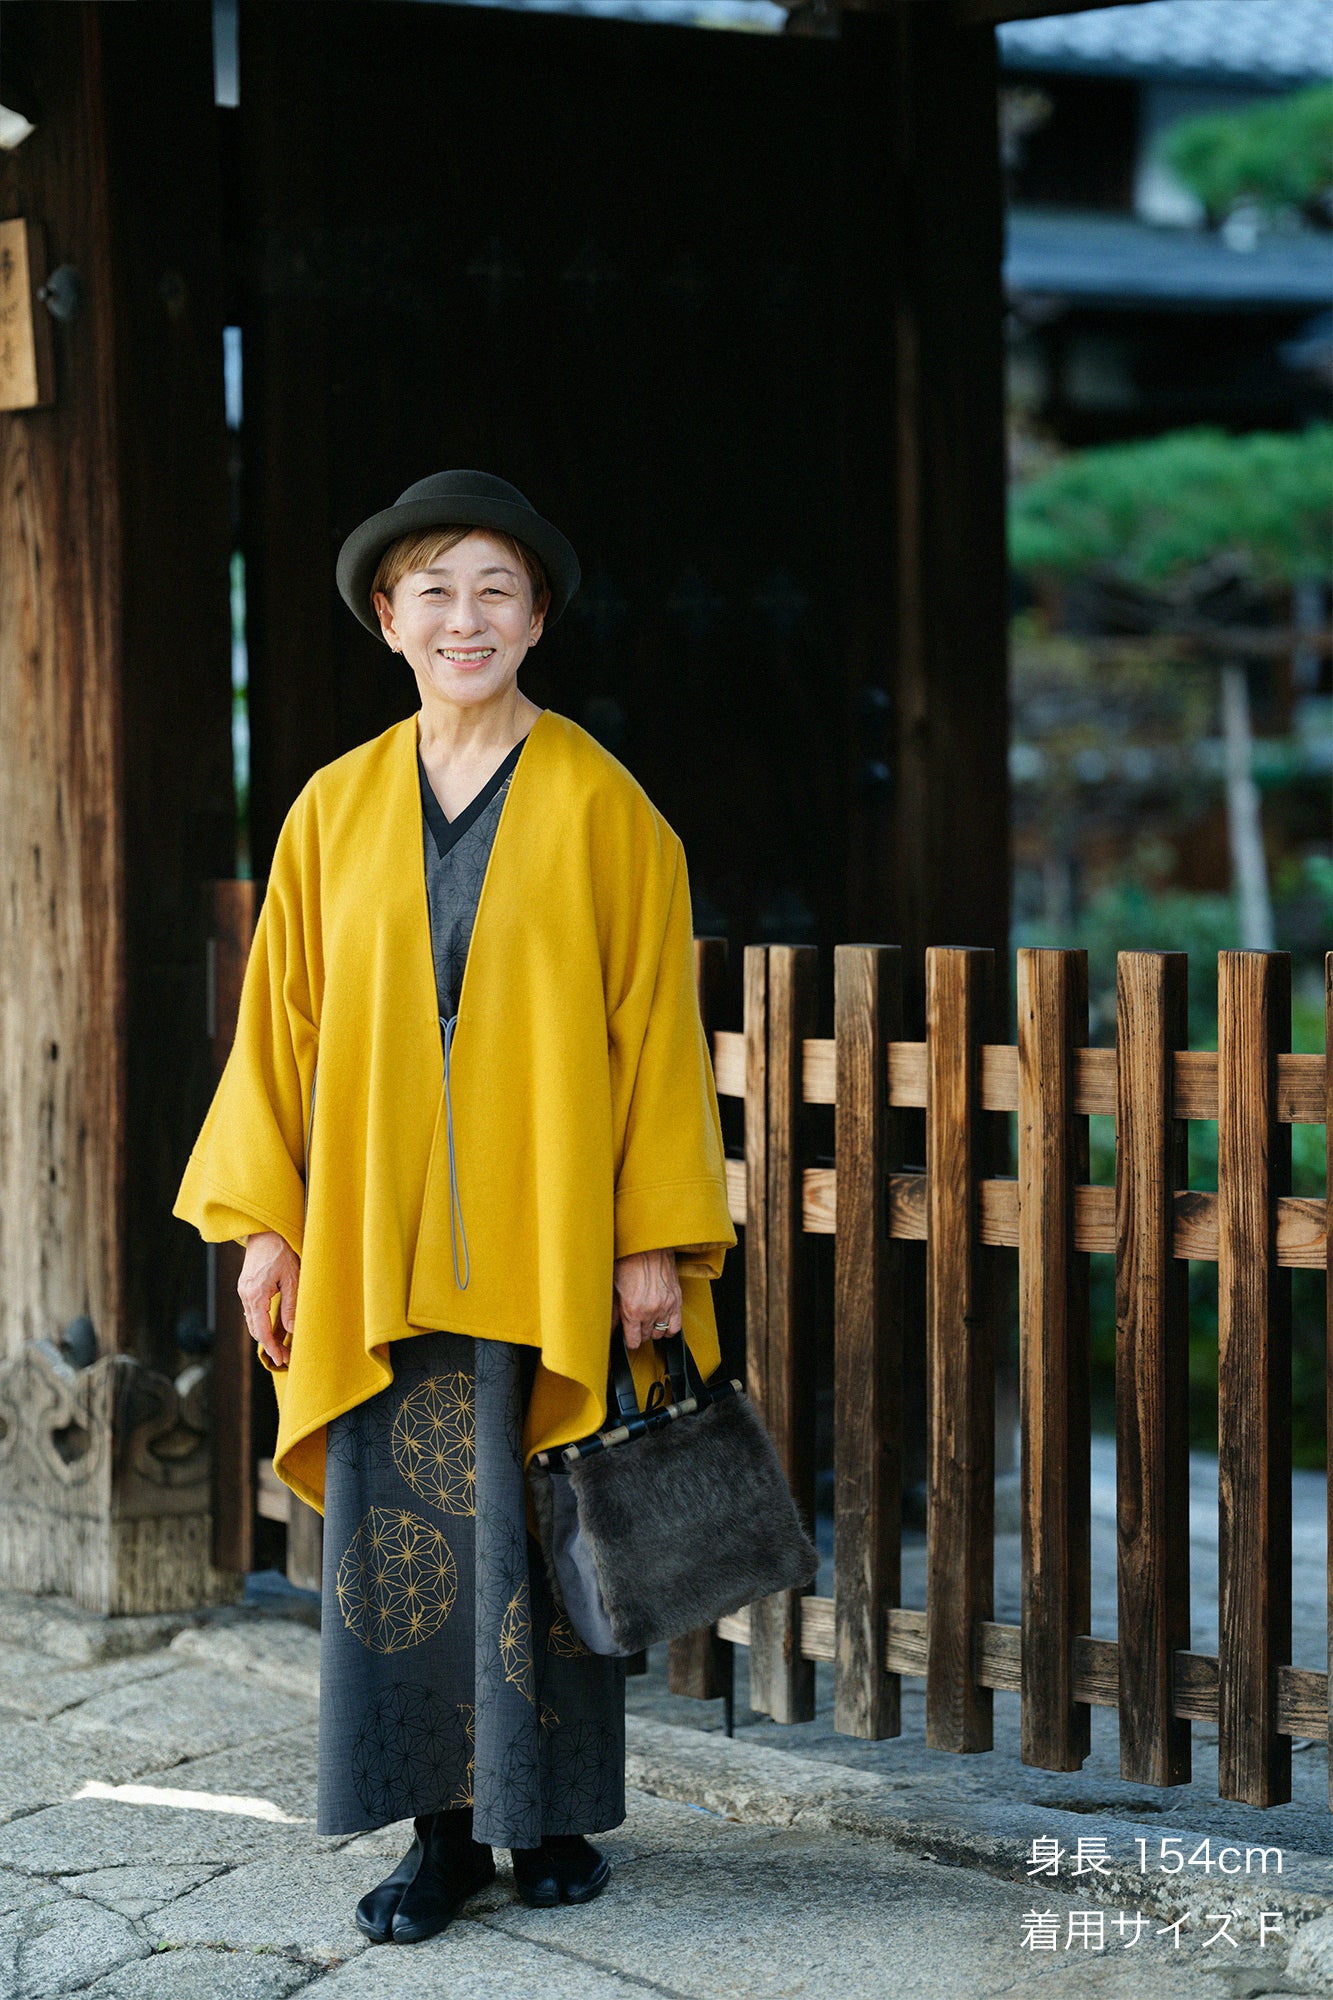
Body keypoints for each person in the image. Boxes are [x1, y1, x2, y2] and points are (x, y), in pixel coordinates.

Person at [173, 470, 736, 1945]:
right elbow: (277, 1031)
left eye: (495, 589)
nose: (464, 617)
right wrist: (266, 1226)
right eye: (434, 591)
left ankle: (544, 1822)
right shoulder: (332, 807)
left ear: (536, 617)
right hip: (375, 1239)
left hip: (546, 1238)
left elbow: (653, 1037)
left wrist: (649, 1237)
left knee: (544, 1527)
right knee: (403, 1542)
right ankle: (438, 1833)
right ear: (388, 619)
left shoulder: (608, 807)